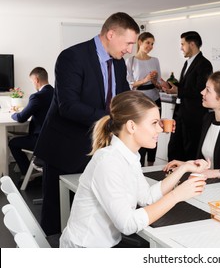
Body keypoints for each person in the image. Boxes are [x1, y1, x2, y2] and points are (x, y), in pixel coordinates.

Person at [59, 91, 208, 248]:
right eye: (154, 123)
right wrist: (177, 195)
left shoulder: (130, 156)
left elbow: (146, 197)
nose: (160, 129)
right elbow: (127, 224)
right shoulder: (108, 162)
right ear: (131, 126)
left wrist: (183, 168)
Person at [34, 12, 138, 235]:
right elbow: (68, 106)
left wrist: (144, 114)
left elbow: (123, 98)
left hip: (99, 149)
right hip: (66, 148)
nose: (130, 49)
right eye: (128, 42)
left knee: (89, 213)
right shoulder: (72, 57)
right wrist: (113, 120)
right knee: (58, 216)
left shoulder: (119, 64)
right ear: (111, 34)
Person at [163, 31, 213, 161]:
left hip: (193, 117)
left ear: (191, 44)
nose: (181, 48)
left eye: (182, 44)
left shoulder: (204, 64)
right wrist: (170, 86)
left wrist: (178, 91)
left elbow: (200, 90)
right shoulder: (188, 62)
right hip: (181, 114)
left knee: (189, 152)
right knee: (174, 149)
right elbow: (188, 86)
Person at [126, 32, 164, 166]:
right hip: (139, 100)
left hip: (155, 98)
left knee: (156, 130)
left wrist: (154, 81)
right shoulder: (130, 61)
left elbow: (159, 84)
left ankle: (151, 165)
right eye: (148, 42)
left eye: (152, 44)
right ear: (140, 42)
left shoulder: (155, 60)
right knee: (141, 131)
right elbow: (129, 83)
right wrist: (144, 80)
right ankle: (139, 164)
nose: (150, 46)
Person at [8, 67, 54, 176]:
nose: (33, 84)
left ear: (36, 80)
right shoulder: (57, 93)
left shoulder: (37, 97)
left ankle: (28, 175)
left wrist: (13, 114)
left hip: (40, 140)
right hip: (56, 140)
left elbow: (21, 118)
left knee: (13, 143)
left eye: (32, 81)